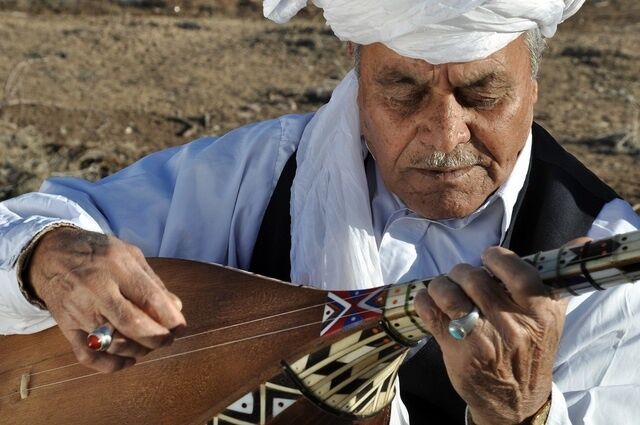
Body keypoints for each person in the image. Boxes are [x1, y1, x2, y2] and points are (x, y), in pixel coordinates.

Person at [1, 1, 639, 424]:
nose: (445, 135)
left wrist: (522, 413)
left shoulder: (609, 262)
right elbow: (26, 227)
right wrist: (49, 258)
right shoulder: (257, 174)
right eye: (402, 92)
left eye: (483, 94)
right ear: (357, 78)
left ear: (533, 84)